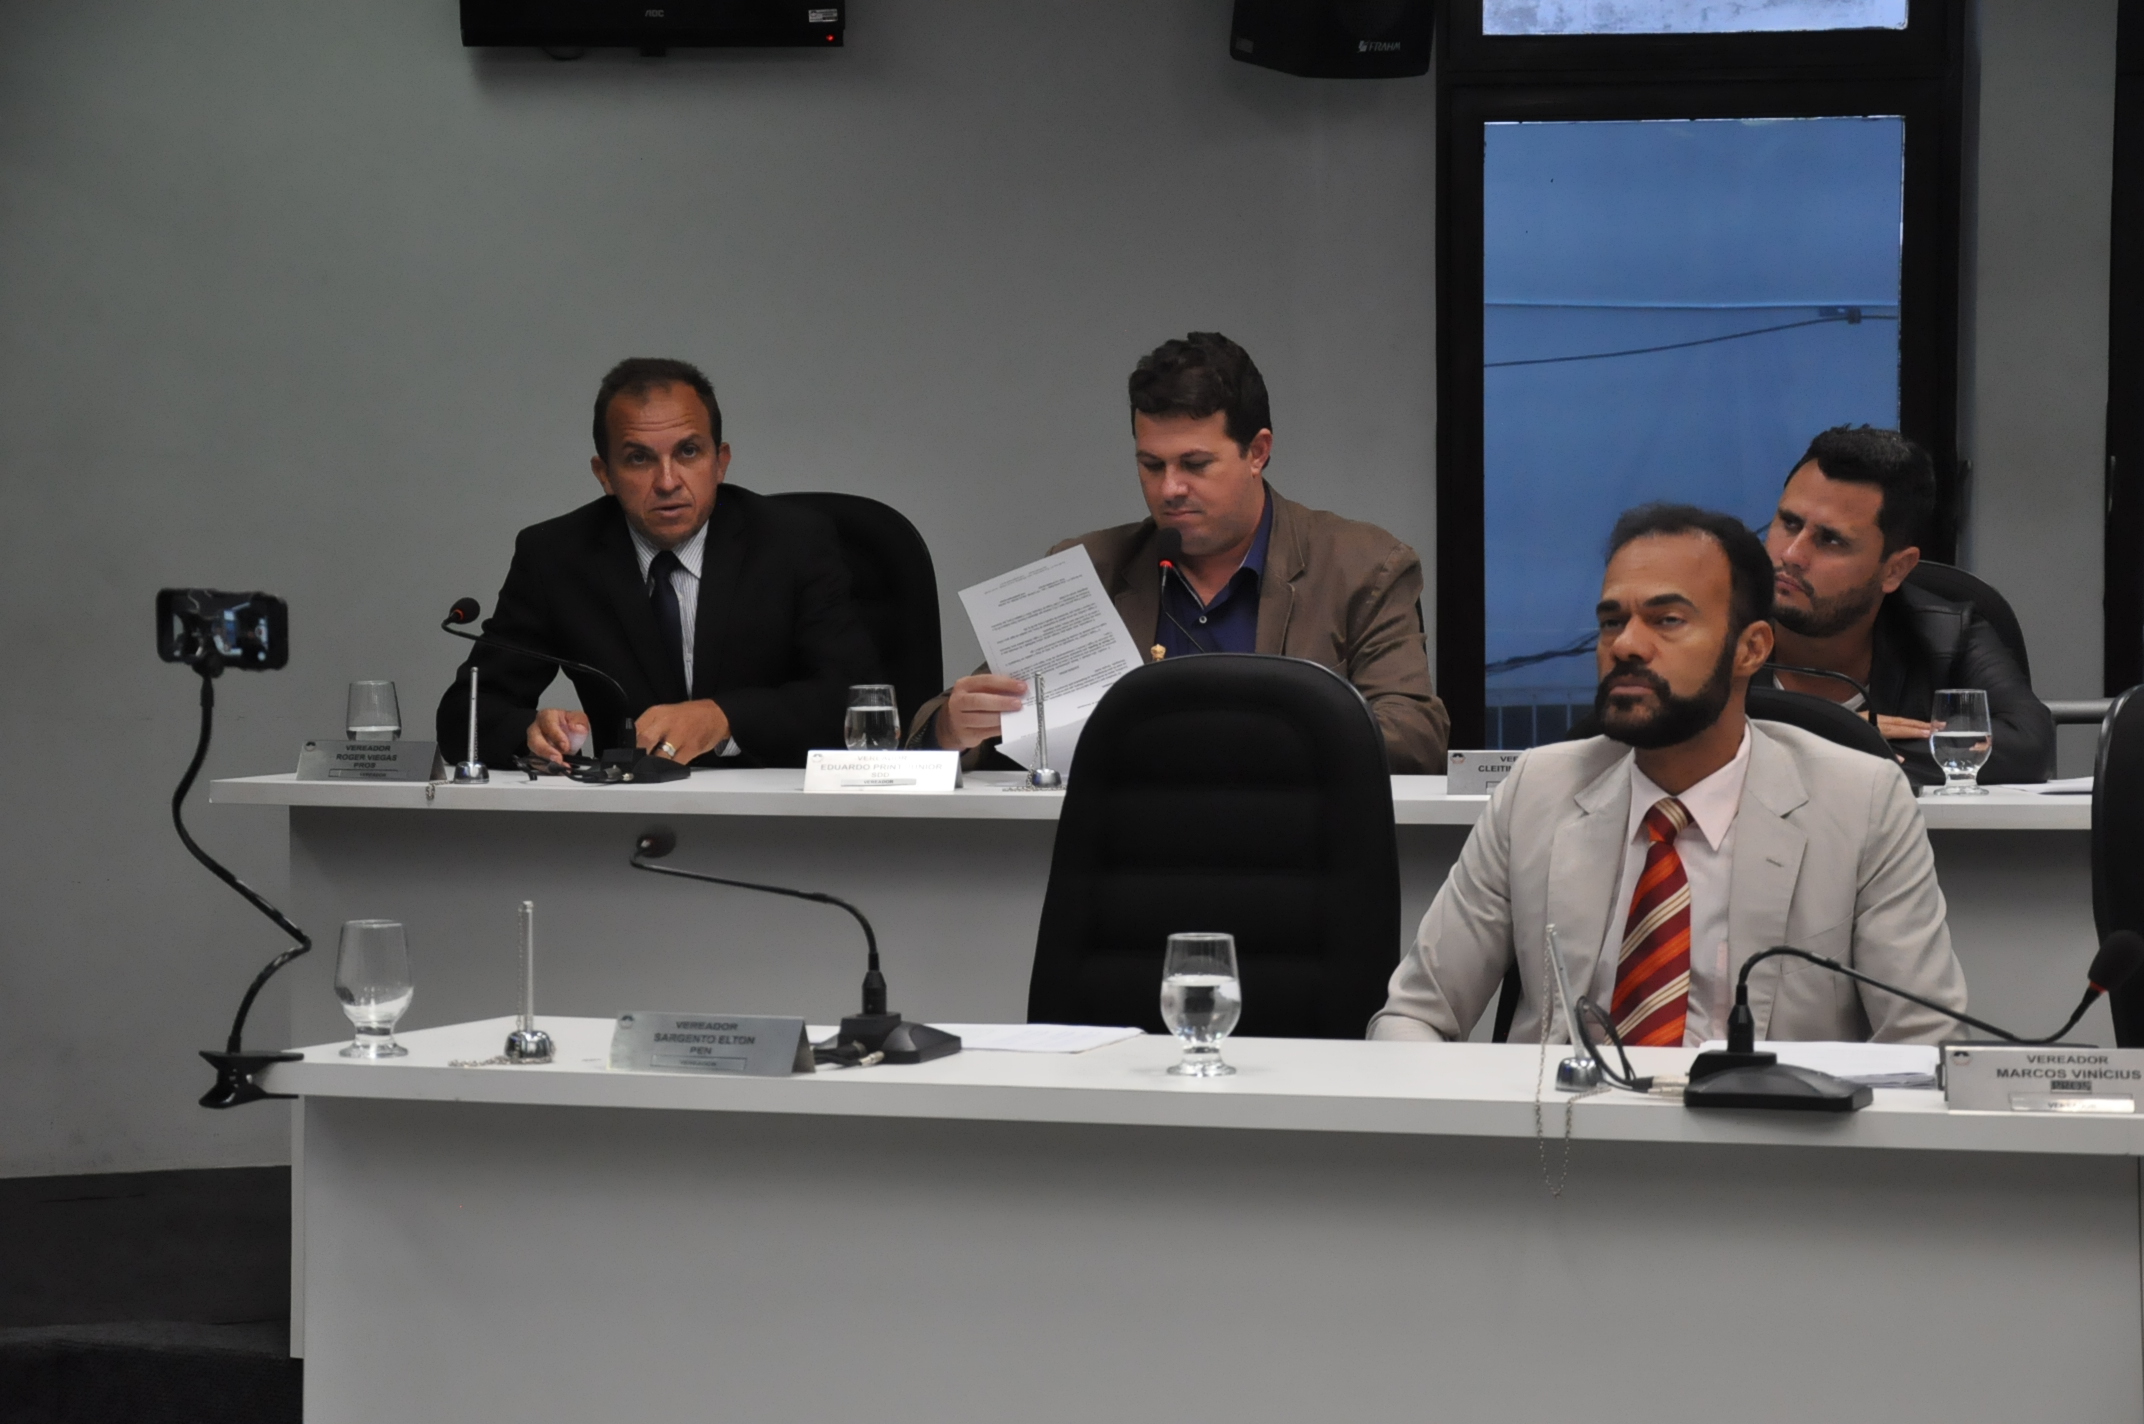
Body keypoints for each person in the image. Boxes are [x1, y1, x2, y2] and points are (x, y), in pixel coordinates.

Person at [1370, 503, 1965, 1046]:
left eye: (1668, 620)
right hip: (1559, 1124)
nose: (1626, 645)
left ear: (1751, 649)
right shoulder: (1537, 790)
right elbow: (1413, 1015)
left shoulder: (1862, 803)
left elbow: (1928, 1039)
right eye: (1611, 622)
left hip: (1767, 1126)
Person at [909, 332, 1449, 772]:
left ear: (1258, 452)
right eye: (1151, 465)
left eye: (1194, 465)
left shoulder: (1363, 566)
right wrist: (952, 727)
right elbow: (948, 726)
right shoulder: (1089, 568)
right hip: (1125, 846)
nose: (1169, 489)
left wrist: (1253, 744)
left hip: (1291, 843)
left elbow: (1415, 736)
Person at [436, 357, 878, 770]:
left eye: (688, 452)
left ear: (720, 462)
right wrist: (529, 732)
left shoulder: (794, 542)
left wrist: (724, 718)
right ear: (604, 474)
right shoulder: (556, 556)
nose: (668, 482)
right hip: (629, 811)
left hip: (778, 809)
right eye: (639, 458)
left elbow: (859, 701)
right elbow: (465, 714)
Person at [1764, 426, 2054, 784]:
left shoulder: (1946, 636)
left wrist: (1839, 742)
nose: (1792, 555)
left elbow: (2028, 746)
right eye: (1789, 523)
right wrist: (1837, 729)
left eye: (1831, 540)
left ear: (1895, 570)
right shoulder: (1721, 622)